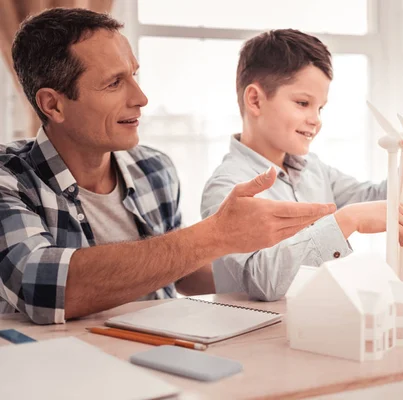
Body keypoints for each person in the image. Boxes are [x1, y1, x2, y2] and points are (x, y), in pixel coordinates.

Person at [0, 8, 335, 325]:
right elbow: (43, 288)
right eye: (114, 83)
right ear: (53, 104)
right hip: (61, 372)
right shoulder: (10, 178)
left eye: (133, 75)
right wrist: (216, 234)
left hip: (161, 358)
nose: (141, 97)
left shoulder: (154, 168)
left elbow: (182, 273)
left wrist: (268, 266)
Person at [201, 29, 403, 301]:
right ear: (255, 100)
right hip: (252, 337)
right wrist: (348, 220)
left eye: (320, 108)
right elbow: (262, 280)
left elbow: (383, 202)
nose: (316, 119)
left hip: (316, 327)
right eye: (303, 103)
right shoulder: (227, 189)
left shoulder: (313, 170)